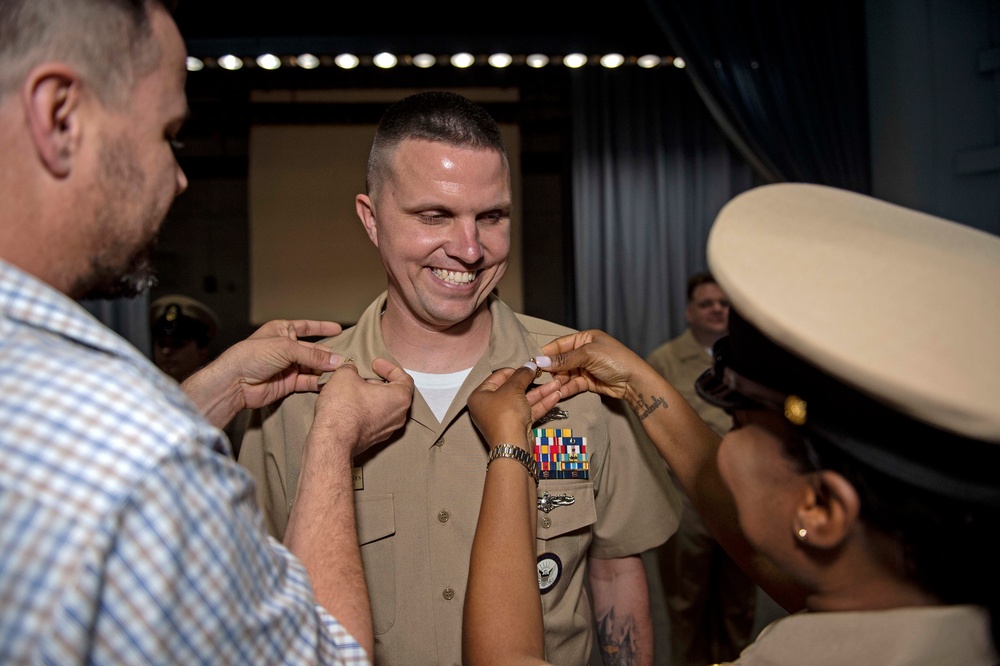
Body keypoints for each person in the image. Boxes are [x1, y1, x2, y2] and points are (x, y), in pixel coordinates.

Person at [0, 1, 413, 662]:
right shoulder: (146, 453)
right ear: (60, 116)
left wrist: (205, 394)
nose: (181, 177)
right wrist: (334, 438)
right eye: (167, 134)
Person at [463, 183, 1000, 665]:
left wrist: (510, 446)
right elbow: (756, 534)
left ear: (821, 508)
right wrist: (636, 381)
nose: (725, 446)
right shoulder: (924, 618)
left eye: (739, 426)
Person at [238, 91, 680, 665]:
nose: (470, 249)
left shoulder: (584, 377)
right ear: (372, 220)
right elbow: (255, 597)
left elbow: (616, 579)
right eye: (434, 216)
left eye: (491, 217)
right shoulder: (296, 398)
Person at [646, 273, 756, 665]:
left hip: (745, 496)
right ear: (690, 312)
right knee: (686, 600)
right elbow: (648, 429)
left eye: (724, 304)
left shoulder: (750, 360)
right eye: (707, 304)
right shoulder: (664, 361)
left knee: (738, 599)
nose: (716, 310)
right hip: (688, 497)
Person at [149, 293, 220, 382]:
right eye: (161, 344)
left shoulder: (216, 392)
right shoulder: (141, 390)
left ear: (202, 352)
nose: (166, 351)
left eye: (178, 344)